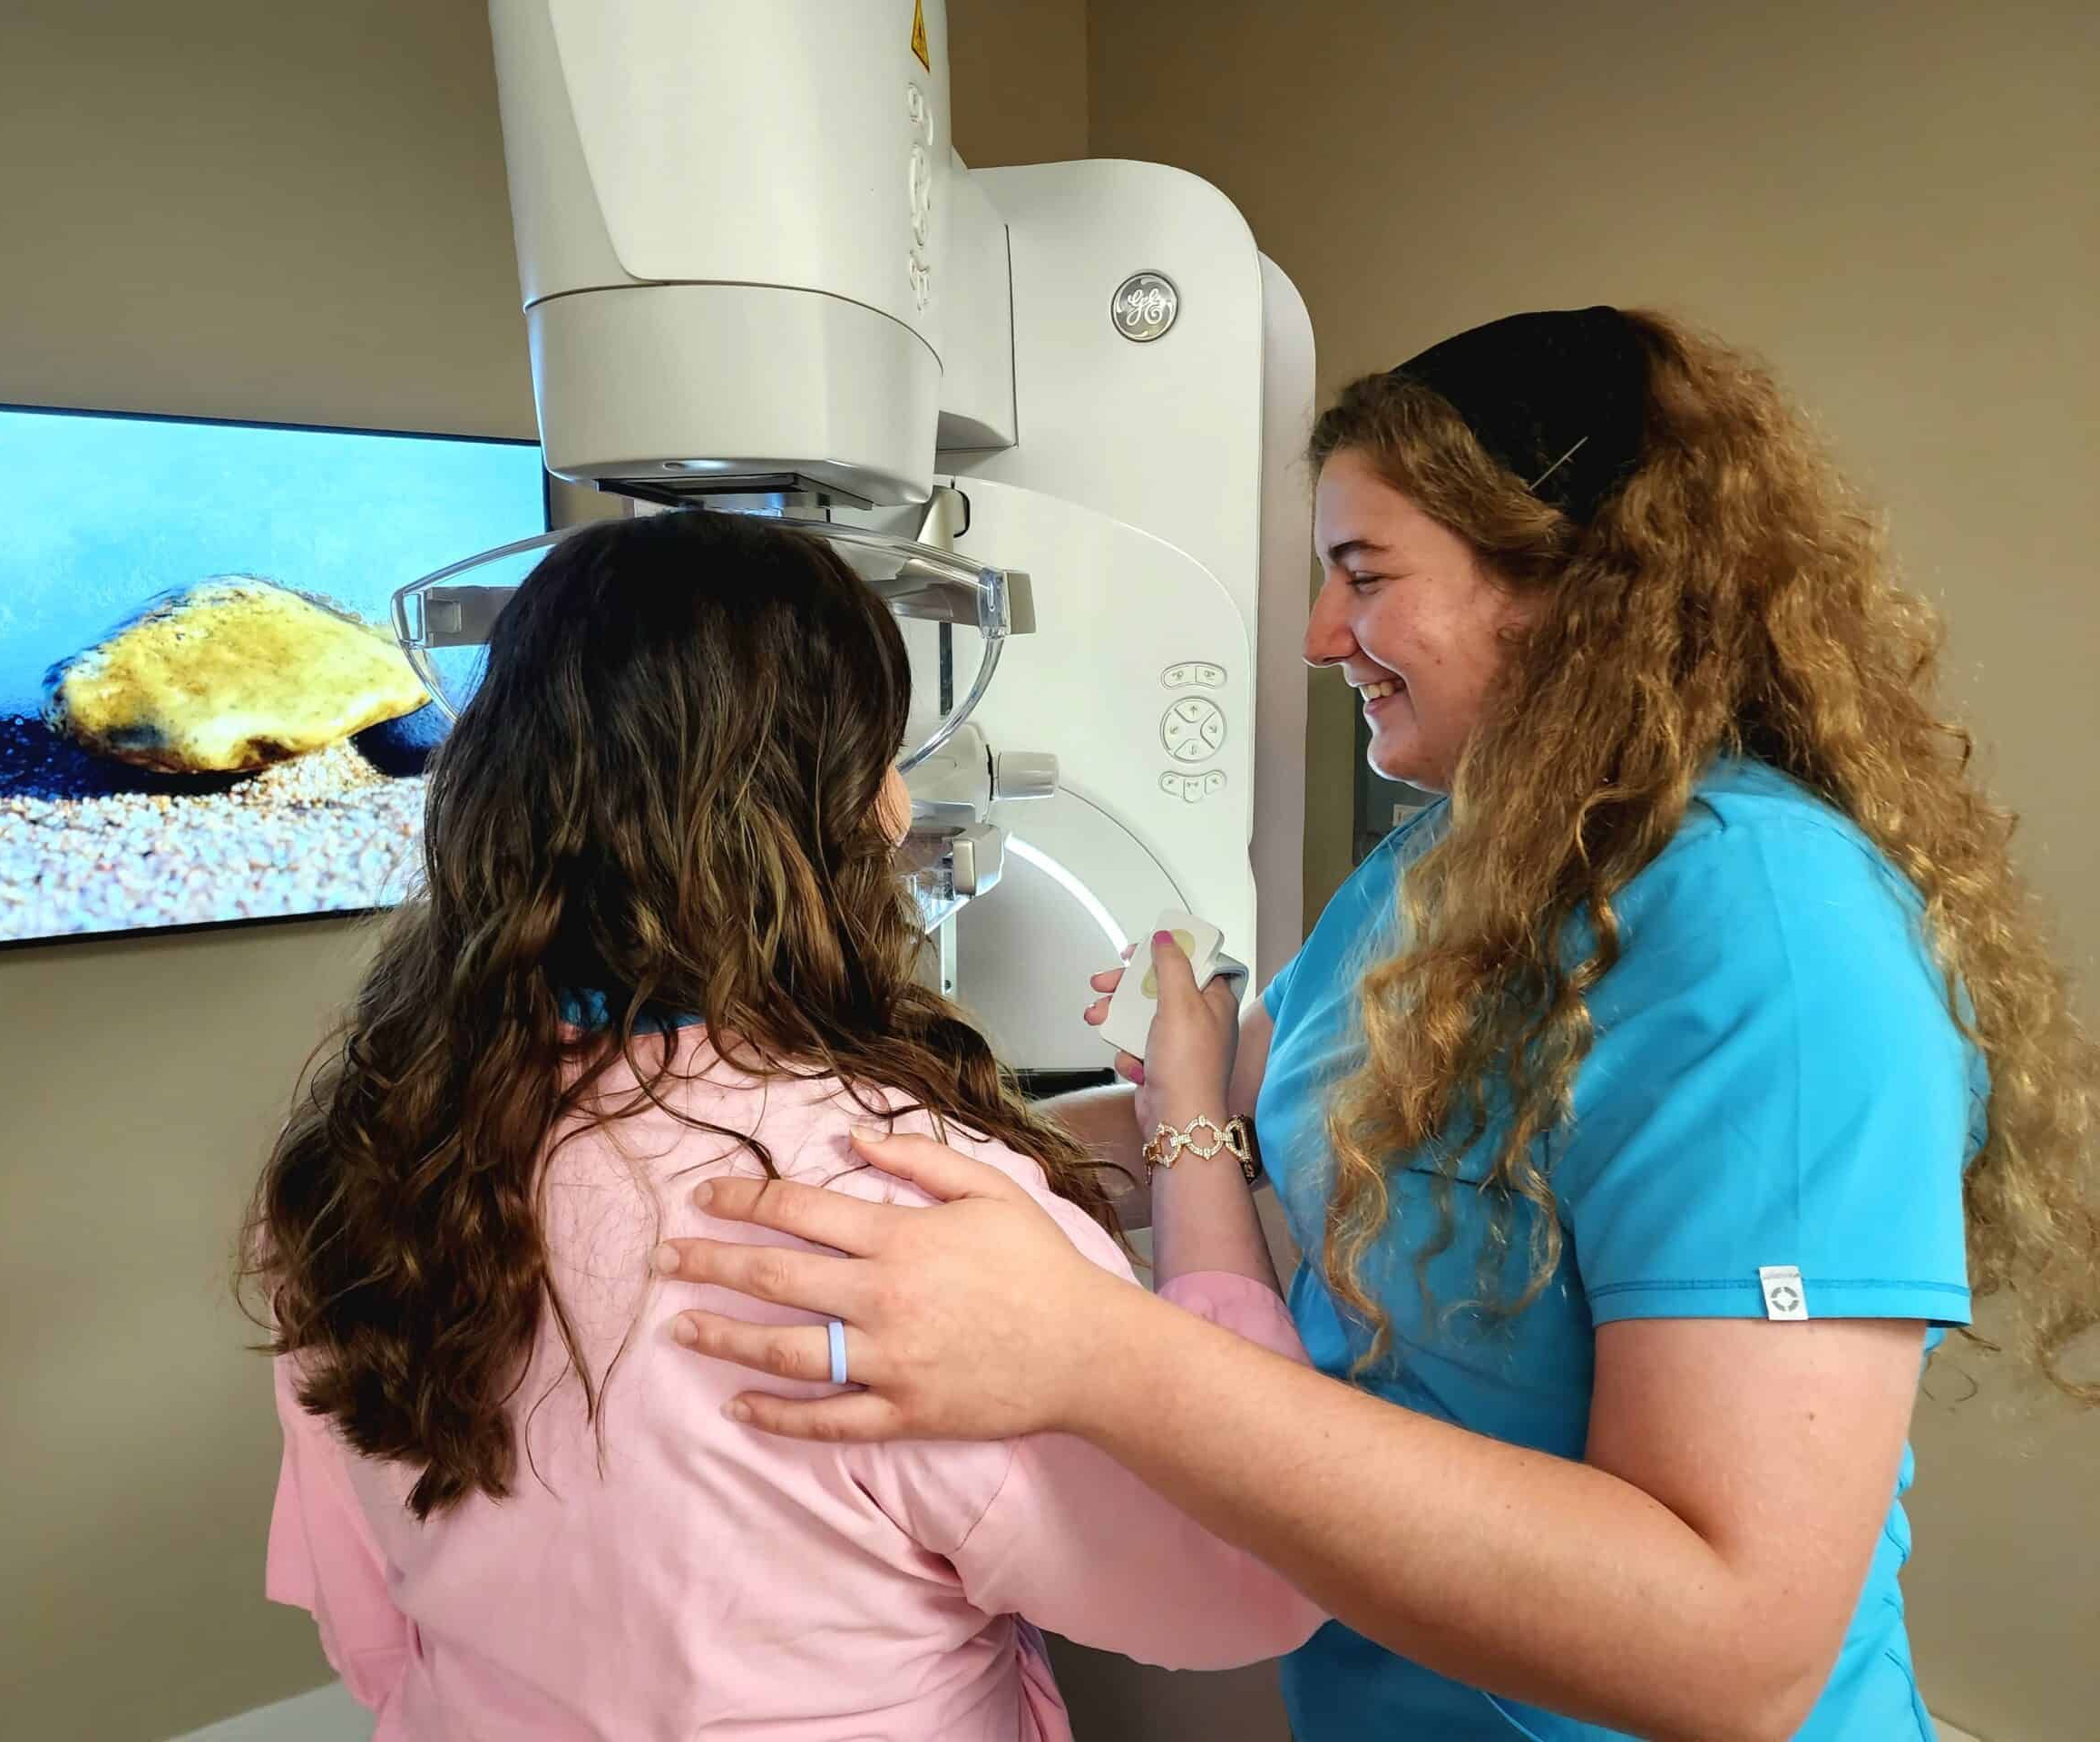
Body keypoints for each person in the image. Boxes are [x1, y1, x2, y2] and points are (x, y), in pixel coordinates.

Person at [655, 308, 2100, 1740]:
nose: (1318, 634)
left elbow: (1735, 1648)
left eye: (1365, 577)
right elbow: (1210, 1121)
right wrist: (795, 1154)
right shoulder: (1446, 869)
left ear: (1577, 589)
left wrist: (1088, 1348)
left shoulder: (1772, 936)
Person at [241, 509, 1321, 1740]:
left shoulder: (371, 1157)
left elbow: (373, 1631)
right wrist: (1193, 1137)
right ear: (817, 817)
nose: (902, 805)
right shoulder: (915, 1219)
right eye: (879, 753)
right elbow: (1250, 1581)